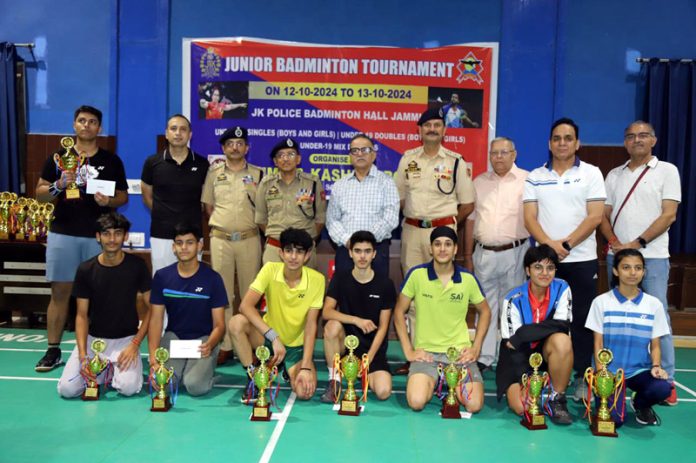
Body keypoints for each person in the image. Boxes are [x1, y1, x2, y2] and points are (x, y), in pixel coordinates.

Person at [35, 105, 129, 372]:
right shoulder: (57, 157)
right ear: (74, 125)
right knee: (60, 293)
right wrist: (59, 185)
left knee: (98, 295)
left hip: (98, 238)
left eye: (92, 122)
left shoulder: (111, 161)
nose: (86, 125)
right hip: (62, 233)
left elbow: (123, 196)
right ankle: (53, 350)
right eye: (81, 121)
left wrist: (108, 200)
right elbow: (39, 193)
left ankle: (100, 349)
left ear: (99, 128)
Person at [523, 117, 606, 401]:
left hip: (581, 260)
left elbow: (595, 216)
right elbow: (530, 218)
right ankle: (545, 376)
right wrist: (550, 249)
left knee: (582, 321)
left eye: (567, 138)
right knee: (544, 320)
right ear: (549, 143)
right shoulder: (535, 175)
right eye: (557, 138)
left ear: (577, 143)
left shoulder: (592, 173)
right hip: (545, 263)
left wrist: (566, 244)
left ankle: (583, 376)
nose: (562, 143)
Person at [599, 120, 681, 406]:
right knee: (614, 317)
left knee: (659, 318)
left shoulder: (667, 171)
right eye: (631, 136)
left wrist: (637, 244)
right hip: (617, 256)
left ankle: (666, 379)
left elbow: (668, 215)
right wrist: (614, 243)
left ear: (654, 140)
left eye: (643, 135)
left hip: (654, 256)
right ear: (625, 142)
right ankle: (611, 373)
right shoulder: (614, 175)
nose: (637, 140)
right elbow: (603, 215)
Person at [393, 108, 475, 375]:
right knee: (414, 296)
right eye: (427, 125)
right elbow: (399, 198)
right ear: (419, 130)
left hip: (442, 235)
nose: (431, 129)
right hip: (413, 232)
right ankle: (418, 355)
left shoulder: (455, 162)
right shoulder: (408, 160)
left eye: (437, 125)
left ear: (444, 130)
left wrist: (447, 225)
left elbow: (467, 203)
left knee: (443, 293)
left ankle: (447, 352)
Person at [393, 226, 491, 413]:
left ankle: (450, 384)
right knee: (416, 401)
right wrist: (408, 351)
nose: (442, 249)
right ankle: (436, 381)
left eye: (448, 244)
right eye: (437, 244)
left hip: (460, 355)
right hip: (426, 354)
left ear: (455, 249)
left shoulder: (467, 279)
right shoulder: (417, 275)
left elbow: (485, 311)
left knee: (474, 405)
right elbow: (399, 312)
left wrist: (476, 348)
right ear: (431, 248)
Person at [57, 212, 151, 398]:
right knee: (67, 390)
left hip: (125, 341)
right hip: (94, 341)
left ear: (125, 236)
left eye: (117, 233)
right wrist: (84, 355)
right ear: (98, 237)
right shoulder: (85, 269)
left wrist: (135, 344)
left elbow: (152, 309)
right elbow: (81, 316)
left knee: (128, 388)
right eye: (106, 233)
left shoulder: (137, 266)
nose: (112, 239)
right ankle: (102, 371)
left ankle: (108, 371)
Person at [229, 228, 325, 401]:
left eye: (299, 252)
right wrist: (274, 337)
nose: (293, 257)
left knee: (304, 393)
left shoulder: (318, 280)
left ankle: (286, 369)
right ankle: (254, 378)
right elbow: (245, 306)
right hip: (268, 340)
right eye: (288, 251)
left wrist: (305, 366)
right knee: (236, 323)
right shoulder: (270, 270)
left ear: (308, 255)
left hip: (297, 347)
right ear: (281, 253)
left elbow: (311, 325)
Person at [463, 137, 529, 373]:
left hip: (516, 252)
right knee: (485, 307)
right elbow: (470, 221)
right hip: (484, 254)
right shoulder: (479, 182)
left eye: (504, 152)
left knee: (512, 306)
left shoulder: (528, 180)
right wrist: (467, 255)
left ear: (514, 154)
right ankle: (484, 356)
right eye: (494, 153)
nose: (498, 157)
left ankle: (510, 355)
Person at [585, 249, 672, 426]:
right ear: (616, 271)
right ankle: (606, 400)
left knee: (663, 387)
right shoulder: (601, 302)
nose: (633, 273)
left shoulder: (653, 304)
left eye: (638, 268)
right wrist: (602, 373)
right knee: (614, 421)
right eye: (626, 267)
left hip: (639, 371)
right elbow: (598, 342)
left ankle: (640, 404)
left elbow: (655, 344)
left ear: (643, 272)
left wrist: (656, 366)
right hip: (610, 372)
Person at [202, 126, 263, 365]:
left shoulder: (259, 175)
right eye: (230, 144)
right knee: (223, 294)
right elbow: (208, 207)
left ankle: (251, 341)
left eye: (240, 143)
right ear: (223, 148)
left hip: (249, 239)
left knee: (251, 294)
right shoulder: (214, 173)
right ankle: (226, 344)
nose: (235, 147)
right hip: (221, 240)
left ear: (247, 147)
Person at [496, 245, 573, 424]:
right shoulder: (512, 299)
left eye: (550, 268)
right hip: (517, 359)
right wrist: (526, 383)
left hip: (546, 353)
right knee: (522, 407)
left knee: (562, 340)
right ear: (527, 270)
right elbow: (512, 346)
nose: (545, 273)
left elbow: (563, 325)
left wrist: (522, 334)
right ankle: (533, 391)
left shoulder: (562, 288)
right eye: (538, 267)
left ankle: (556, 398)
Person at [148, 223, 227, 396]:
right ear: (173, 247)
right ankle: (184, 368)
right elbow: (155, 320)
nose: (184, 247)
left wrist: (210, 344)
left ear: (199, 245)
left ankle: (208, 373)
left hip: (204, 340)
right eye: (179, 242)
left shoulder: (213, 279)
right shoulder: (162, 277)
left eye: (190, 242)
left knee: (195, 386)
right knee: (165, 384)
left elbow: (220, 325)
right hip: (174, 338)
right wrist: (153, 356)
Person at [321, 231, 396, 402]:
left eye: (367, 251)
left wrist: (368, 358)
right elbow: (326, 312)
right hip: (346, 348)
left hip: (372, 351)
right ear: (350, 253)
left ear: (374, 254)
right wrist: (356, 320)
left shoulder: (385, 284)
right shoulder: (340, 278)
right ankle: (336, 381)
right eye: (358, 251)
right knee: (332, 326)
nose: (362, 256)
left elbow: (384, 326)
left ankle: (359, 375)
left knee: (384, 392)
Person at [141, 114, 209, 273]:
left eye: (183, 129)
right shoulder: (153, 162)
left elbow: (206, 199)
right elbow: (146, 196)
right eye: (173, 129)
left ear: (190, 135)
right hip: (161, 233)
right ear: (166, 133)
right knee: (162, 282)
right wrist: (163, 213)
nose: (178, 133)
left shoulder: (202, 163)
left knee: (191, 283)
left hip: (192, 235)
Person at [326, 134, 399, 277]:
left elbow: (390, 217)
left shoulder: (387, 182)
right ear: (350, 156)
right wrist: (349, 242)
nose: (359, 154)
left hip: (376, 250)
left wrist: (366, 244)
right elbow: (331, 220)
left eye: (364, 150)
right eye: (355, 150)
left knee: (376, 296)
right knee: (345, 296)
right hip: (346, 250)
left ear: (373, 155)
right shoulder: (340, 185)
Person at [255, 138, 326, 269]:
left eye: (291, 154)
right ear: (275, 162)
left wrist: (305, 239)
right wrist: (279, 238)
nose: (286, 159)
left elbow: (320, 219)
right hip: (275, 249)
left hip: (304, 250)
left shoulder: (312, 183)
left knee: (305, 288)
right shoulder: (266, 184)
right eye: (281, 155)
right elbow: (260, 219)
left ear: (298, 159)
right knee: (274, 288)